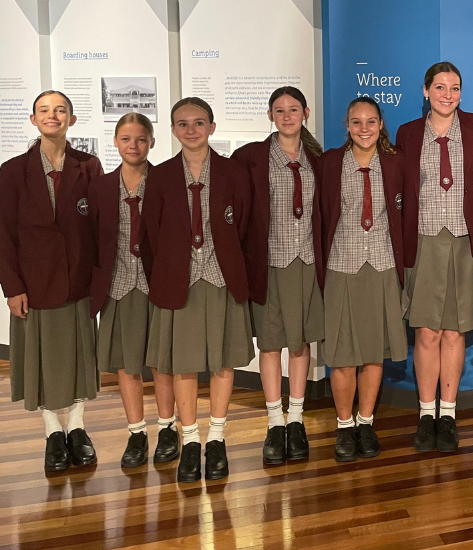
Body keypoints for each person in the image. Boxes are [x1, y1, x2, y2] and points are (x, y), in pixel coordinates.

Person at [144, 97, 256, 483]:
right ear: (173, 130)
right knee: (184, 363)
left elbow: (241, 225)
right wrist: (174, 268)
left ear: (212, 126)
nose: (191, 130)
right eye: (182, 124)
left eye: (198, 122)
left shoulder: (233, 172)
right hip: (179, 282)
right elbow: (152, 235)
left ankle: (218, 439)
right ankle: (190, 440)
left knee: (223, 361)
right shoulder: (158, 177)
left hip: (222, 278)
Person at [0, 90, 103, 473]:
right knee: (39, 359)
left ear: (72, 119)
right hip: (34, 284)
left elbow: (101, 227)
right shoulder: (13, 171)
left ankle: (77, 428)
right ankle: (52, 432)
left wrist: (100, 280)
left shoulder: (89, 166)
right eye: (44, 110)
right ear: (33, 119)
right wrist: (12, 287)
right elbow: (3, 234)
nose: (52, 116)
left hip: (79, 282)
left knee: (78, 356)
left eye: (60, 110)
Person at [395, 62, 473, 453]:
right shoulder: (407, 133)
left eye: (455, 88)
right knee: (426, 331)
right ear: (425, 91)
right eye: (439, 87)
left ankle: (449, 414)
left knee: (455, 331)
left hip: (464, 242)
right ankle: (426, 414)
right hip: (422, 242)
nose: (447, 95)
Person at [232, 87, 324, 464]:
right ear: (270, 115)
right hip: (268, 261)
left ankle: (297, 419)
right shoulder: (250, 157)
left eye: (293, 109)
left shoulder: (319, 158)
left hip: (306, 262)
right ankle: (274, 421)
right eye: (279, 110)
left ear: (305, 113)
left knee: (300, 342)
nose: (287, 116)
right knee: (270, 343)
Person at [319, 97, 406, 462]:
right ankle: (344, 425)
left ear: (381, 124)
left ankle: (366, 421)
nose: (365, 128)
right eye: (357, 122)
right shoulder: (329, 164)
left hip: (383, 266)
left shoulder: (396, 163)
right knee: (343, 356)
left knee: (373, 353)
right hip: (342, 266)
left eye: (371, 121)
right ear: (347, 126)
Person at [89, 113, 179, 468]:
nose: (133, 146)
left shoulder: (166, 182)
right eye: (126, 139)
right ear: (115, 142)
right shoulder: (100, 188)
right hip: (118, 284)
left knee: (162, 361)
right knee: (128, 365)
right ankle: (136, 432)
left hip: (158, 283)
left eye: (141, 139)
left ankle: (168, 427)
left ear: (152, 142)